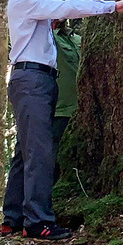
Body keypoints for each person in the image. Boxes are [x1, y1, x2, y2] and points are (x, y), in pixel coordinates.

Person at [1, 0, 123, 241]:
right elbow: (65, 8)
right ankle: (38, 222)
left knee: (26, 152)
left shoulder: (35, 2)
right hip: (31, 79)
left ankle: (13, 218)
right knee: (40, 152)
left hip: (37, 80)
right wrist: (112, 5)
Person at [50, 14, 82, 187]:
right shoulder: (45, 38)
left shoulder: (77, 39)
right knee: (53, 155)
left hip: (83, 109)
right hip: (59, 109)